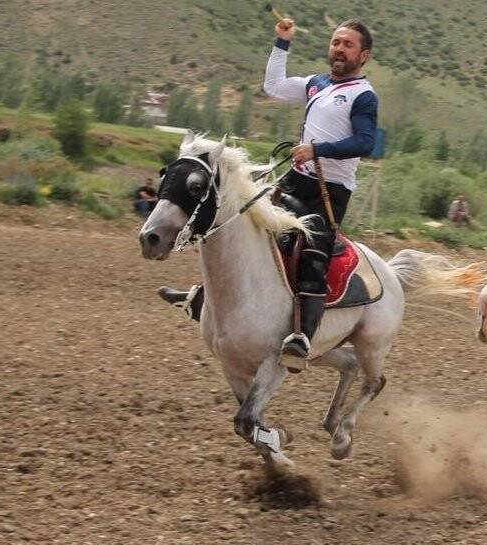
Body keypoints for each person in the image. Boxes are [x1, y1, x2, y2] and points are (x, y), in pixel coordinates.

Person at [158, 17, 379, 372]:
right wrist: (282, 43)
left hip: (329, 190)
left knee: (313, 247)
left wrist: (317, 149)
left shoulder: (363, 95)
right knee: (240, 222)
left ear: (363, 56)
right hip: (296, 177)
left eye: (347, 44)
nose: (339, 49)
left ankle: (302, 336)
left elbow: (365, 142)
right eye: (336, 42)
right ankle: (203, 295)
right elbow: (273, 86)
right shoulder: (316, 84)